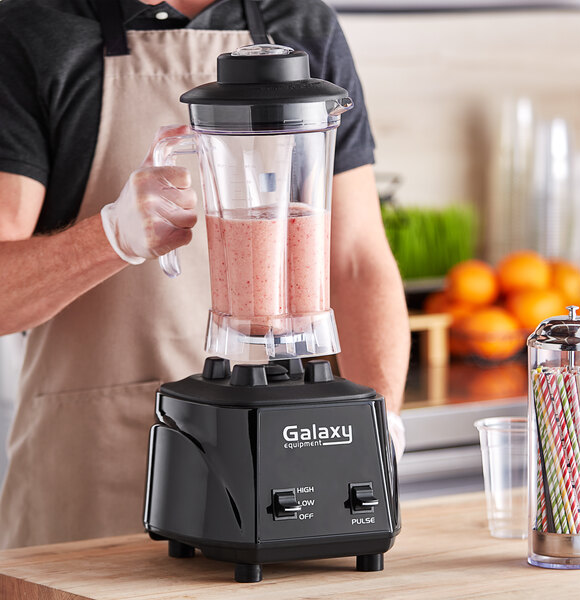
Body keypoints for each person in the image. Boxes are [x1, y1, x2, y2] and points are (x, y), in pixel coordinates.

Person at [0, 0, 410, 549]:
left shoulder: (300, 23)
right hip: (90, 466)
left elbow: (356, 260)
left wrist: (376, 423)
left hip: (285, 454)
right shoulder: (33, 27)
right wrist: (113, 235)